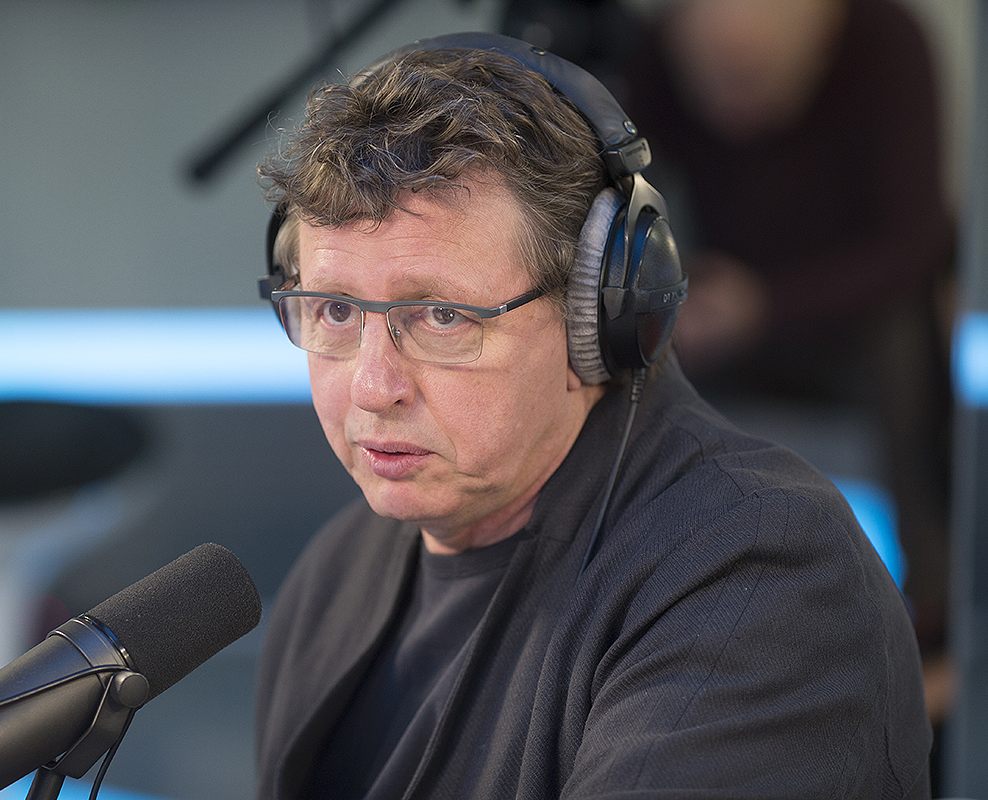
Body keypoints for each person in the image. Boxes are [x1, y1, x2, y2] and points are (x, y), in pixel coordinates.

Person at [252, 32, 931, 799]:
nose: (374, 387)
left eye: (442, 315)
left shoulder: (759, 577)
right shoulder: (335, 578)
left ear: (599, 316)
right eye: (335, 310)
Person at [623, 0, 955, 658]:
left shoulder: (888, 43)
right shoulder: (653, 54)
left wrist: (765, 306)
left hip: (851, 316)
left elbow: (913, 244)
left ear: (820, 32)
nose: (734, 106)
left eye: (753, 78)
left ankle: (936, 601)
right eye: (715, 80)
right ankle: (633, 583)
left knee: (907, 336)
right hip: (718, 307)